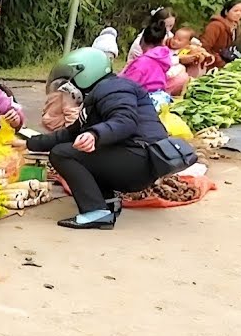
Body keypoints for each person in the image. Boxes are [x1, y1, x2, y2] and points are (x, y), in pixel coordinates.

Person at [18, 48, 166, 230]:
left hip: (139, 159)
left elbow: (124, 120)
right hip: (137, 160)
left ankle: (96, 211)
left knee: (63, 153)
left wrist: (95, 134)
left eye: (70, 81)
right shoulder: (100, 93)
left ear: (85, 74)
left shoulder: (113, 88)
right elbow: (71, 132)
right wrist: (29, 143)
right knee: (77, 150)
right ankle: (108, 202)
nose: (70, 87)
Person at [121, 22, 175, 106]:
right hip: (160, 102)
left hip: (142, 103)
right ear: (161, 41)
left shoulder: (141, 63)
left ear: (142, 39)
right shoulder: (163, 59)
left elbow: (125, 87)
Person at [202, 0, 241, 70]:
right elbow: (205, 47)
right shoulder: (215, 26)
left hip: (228, 61)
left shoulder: (236, 25)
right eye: (235, 11)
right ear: (226, 12)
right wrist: (221, 63)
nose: (239, 14)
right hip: (212, 64)